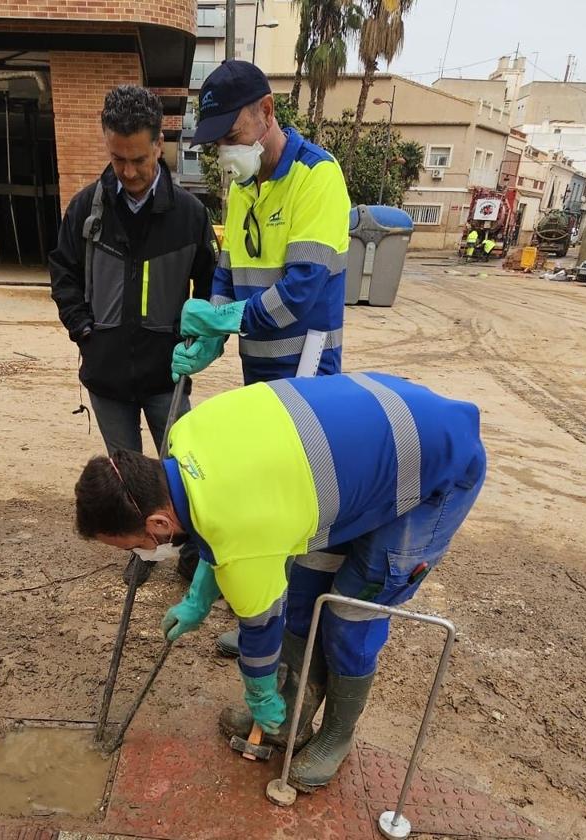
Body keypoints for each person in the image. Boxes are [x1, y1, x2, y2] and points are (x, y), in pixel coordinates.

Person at [73, 373, 487, 791]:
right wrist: (198, 598)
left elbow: (259, 627)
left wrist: (259, 694)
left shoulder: (241, 534)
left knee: (349, 613)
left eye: (136, 544)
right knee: (306, 593)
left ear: (159, 523)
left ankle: (337, 733)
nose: (143, 551)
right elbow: (215, 527)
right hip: (366, 444)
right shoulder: (187, 436)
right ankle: (293, 711)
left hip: (439, 464)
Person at [167, 60, 352, 654]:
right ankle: (258, 615)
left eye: (233, 134)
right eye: (217, 140)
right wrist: (213, 329)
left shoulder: (317, 177)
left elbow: (301, 289)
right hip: (258, 360)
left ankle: (287, 629)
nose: (226, 149)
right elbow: (227, 267)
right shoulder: (242, 186)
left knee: (293, 499)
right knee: (258, 486)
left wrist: (225, 319)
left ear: (267, 113)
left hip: (305, 361)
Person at [50, 85, 217, 584]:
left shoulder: (189, 214)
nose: (128, 171)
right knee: (126, 474)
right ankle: (142, 548)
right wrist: (84, 330)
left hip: (168, 375)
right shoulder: (86, 209)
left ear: (159, 147)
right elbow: (63, 273)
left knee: (182, 471)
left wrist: (200, 341)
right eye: (118, 158)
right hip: (107, 376)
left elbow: (211, 286)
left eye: (139, 159)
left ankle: (189, 552)